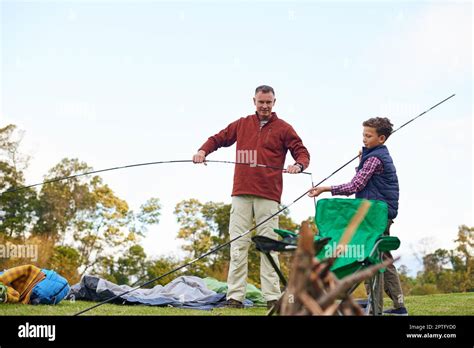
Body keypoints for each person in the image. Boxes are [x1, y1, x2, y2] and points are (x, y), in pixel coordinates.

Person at [193, 85, 310, 308]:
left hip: (268, 195)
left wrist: (298, 164)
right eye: (261, 102)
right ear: (254, 101)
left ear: (274, 102)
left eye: (268, 102)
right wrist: (202, 151)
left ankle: (272, 298)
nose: (264, 106)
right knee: (238, 246)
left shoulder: (284, 128)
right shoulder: (242, 124)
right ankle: (235, 297)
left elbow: (301, 151)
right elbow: (218, 138)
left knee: (269, 248)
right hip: (241, 193)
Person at [308, 117, 408, 316]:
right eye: (363, 135)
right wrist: (360, 160)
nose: (364, 139)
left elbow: (355, 186)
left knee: (372, 258)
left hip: (377, 215)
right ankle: (399, 306)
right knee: (383, 258)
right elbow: (367, 180)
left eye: (369, 136)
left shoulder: (374, 158)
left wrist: (326, 189)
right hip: (378, 214)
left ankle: (376, 309)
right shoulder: (373, 156)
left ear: (381, 138)